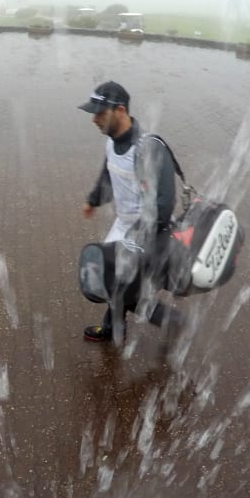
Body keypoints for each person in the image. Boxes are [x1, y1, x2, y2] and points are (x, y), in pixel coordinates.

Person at [77, 81, 184, 344]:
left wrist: (135, 240)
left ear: (121, 110)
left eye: (100, 112)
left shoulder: (148, 148)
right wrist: (93, 200)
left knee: (120, 285)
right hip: (125, 224)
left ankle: (174, 322)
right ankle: (115, 328)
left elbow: (164, 204)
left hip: (150, 231)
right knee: (112, 279)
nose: (95, 119)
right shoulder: (112, 143)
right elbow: (108, 175)